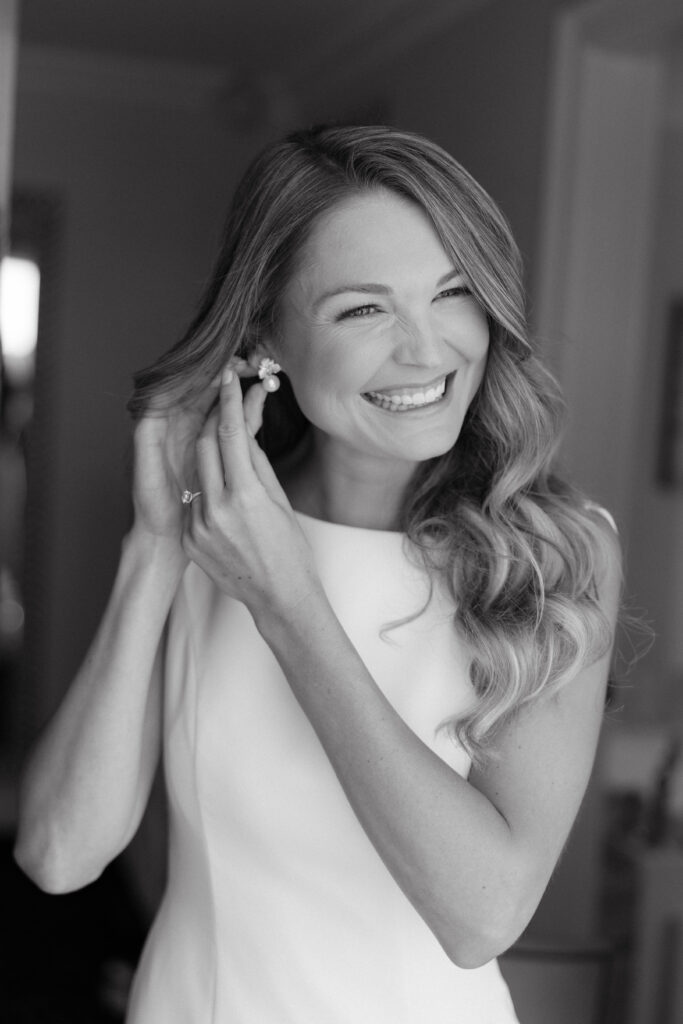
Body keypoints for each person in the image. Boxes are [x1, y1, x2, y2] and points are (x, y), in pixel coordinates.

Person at [14, 124, 621, 1023]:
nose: (427, 349)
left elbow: (482, 917)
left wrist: (290, 605)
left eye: (453, 292)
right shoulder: (219, 520)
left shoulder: (556, 553)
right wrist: (156, 546)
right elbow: (60, 855)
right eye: (363, 310)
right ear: (267, 333)